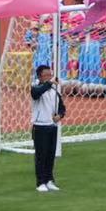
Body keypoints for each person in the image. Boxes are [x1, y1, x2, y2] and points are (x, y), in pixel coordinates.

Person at [29, 61, 64, 191]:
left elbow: (62, 108)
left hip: (52, 126)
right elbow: (36, 93)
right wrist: (49, 84)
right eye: (46, 75)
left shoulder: (54, 92)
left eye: (50, 74)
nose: (49, 77)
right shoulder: (36, 88)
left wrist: (59, 115)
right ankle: (40, 182)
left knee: (50, 154)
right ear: (40, 77)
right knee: (41, 155)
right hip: (40, 127)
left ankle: (49, 180)